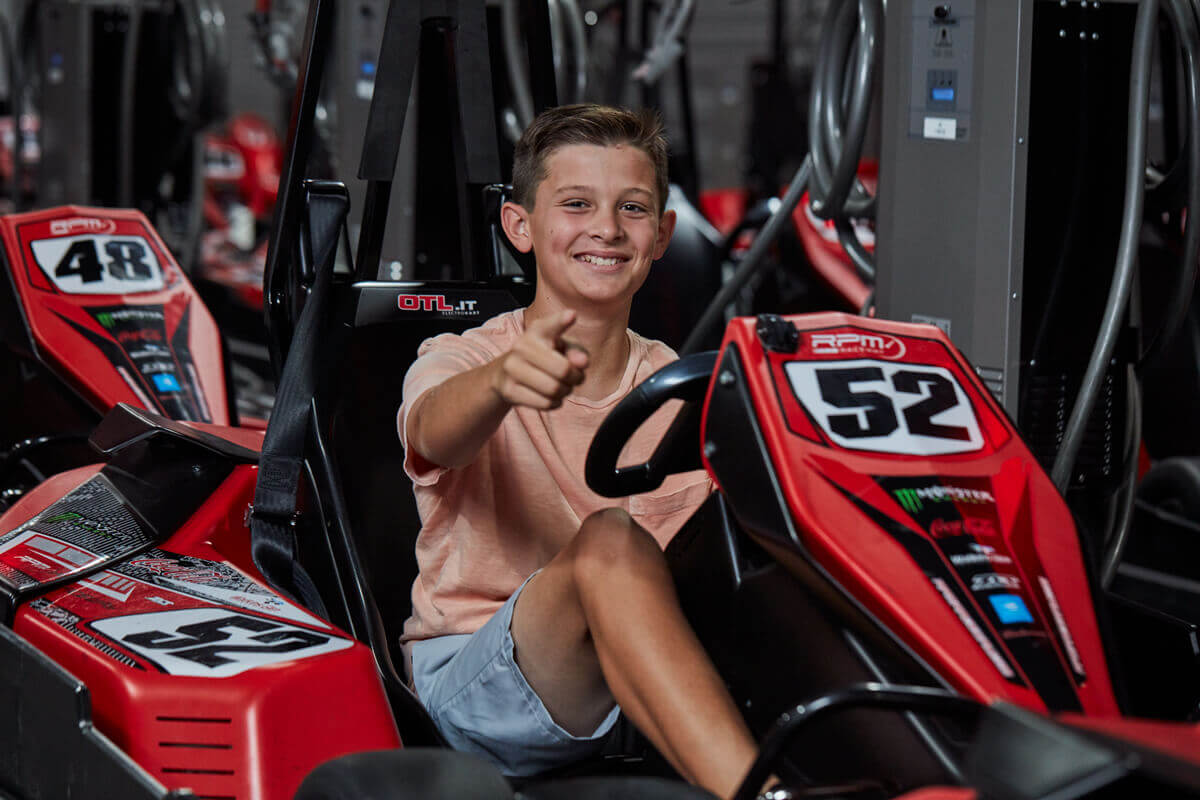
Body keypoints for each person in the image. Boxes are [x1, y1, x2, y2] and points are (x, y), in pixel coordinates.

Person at [398, 104, 763, 800]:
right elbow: (432, 430)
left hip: (629, 680)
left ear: (661, 236)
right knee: (612, 543)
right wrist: (501, 384)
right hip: (475, 687)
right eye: (575, 204)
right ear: (520, 227)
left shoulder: (682, 386)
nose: (605, 228)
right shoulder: (462, 359)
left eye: (632, 208)